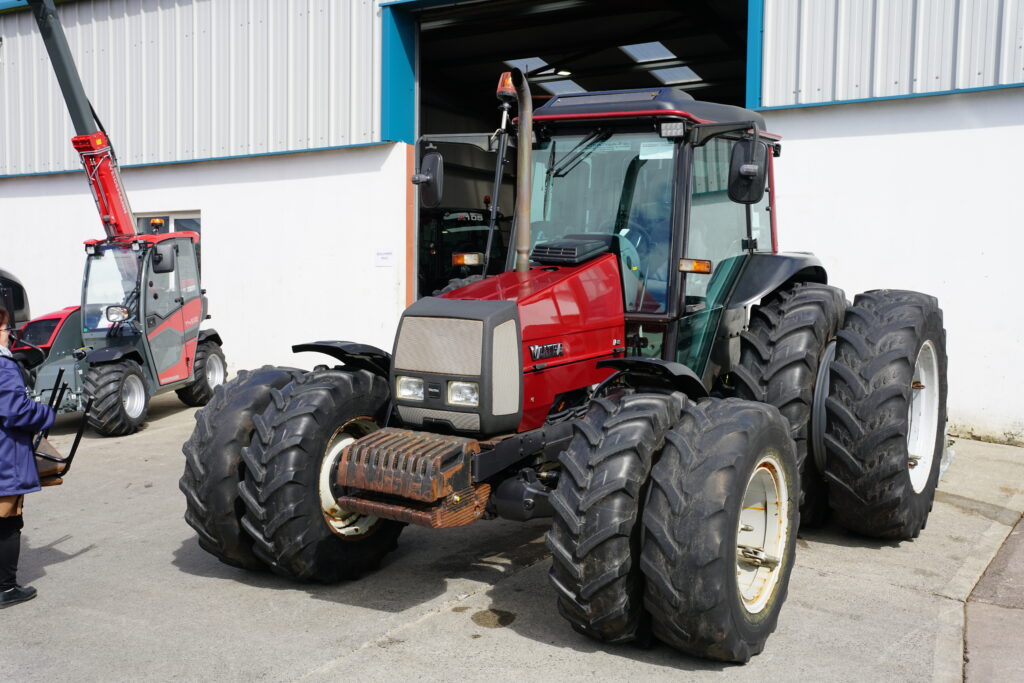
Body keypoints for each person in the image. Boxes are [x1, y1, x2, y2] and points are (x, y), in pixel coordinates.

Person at [0, 306, 54, 608]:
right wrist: (46, 413)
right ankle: (6, 588)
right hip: (5, 456)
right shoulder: (3, 366)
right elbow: (16, 411)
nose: (11, 335)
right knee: (8, 521)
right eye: (8, 329)